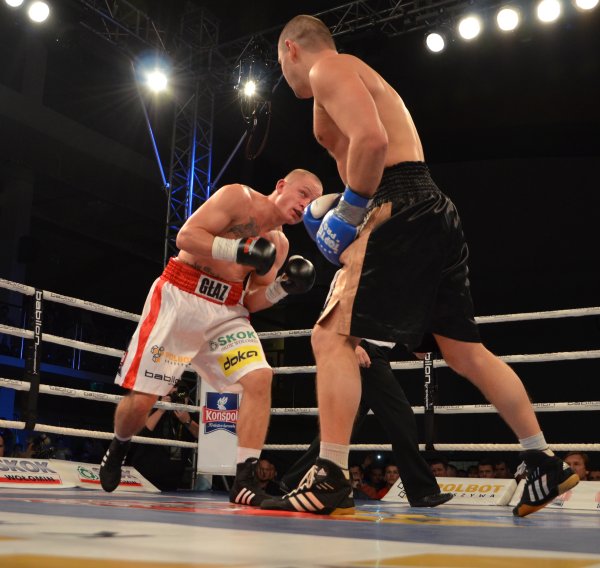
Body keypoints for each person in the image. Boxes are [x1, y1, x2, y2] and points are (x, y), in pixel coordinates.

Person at [261, 14, 578, 517]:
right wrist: (345, 205)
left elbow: (372, 142)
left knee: (330, 337)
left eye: (282, 63)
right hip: (429, 206)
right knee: (465, 352)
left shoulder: (328, 68)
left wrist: (350, 210)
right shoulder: (347, 78)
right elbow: (369, 147)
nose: (286, 75)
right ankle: (542, 459)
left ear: (291, 50)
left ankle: (330, 475)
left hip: (397, 206)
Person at [99, 169, 323, 506]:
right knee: (142, 400)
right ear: (281, 186)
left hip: (227, 310)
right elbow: (186, 237)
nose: (306, 204)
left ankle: (244, 481)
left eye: (314, 201)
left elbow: (252, 301)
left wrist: (282, 288)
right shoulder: (238, 197)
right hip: (181, 296)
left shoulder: (280, 245)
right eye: (303, 193)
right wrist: (237, 250)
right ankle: (119, 445)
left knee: (260, 377)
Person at [279, 336, 452, 507]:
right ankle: (422, 492)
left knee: (344, 428)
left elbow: (394, 330)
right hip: (367, 354)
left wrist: (417, 343)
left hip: (372, 354)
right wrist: (354, 344)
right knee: (402, 419)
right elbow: (343, 318)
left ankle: (294, 479)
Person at [129, 386, 199, 491]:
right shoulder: (154, 407)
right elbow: (140, 434)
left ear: (187, 398)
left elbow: (202, 437)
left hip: (171, 481)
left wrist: (187, 421)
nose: (176, 397)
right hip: (143, 477)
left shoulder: (192, 413)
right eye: (172, 394)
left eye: (180, 395)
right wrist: (160, 410)